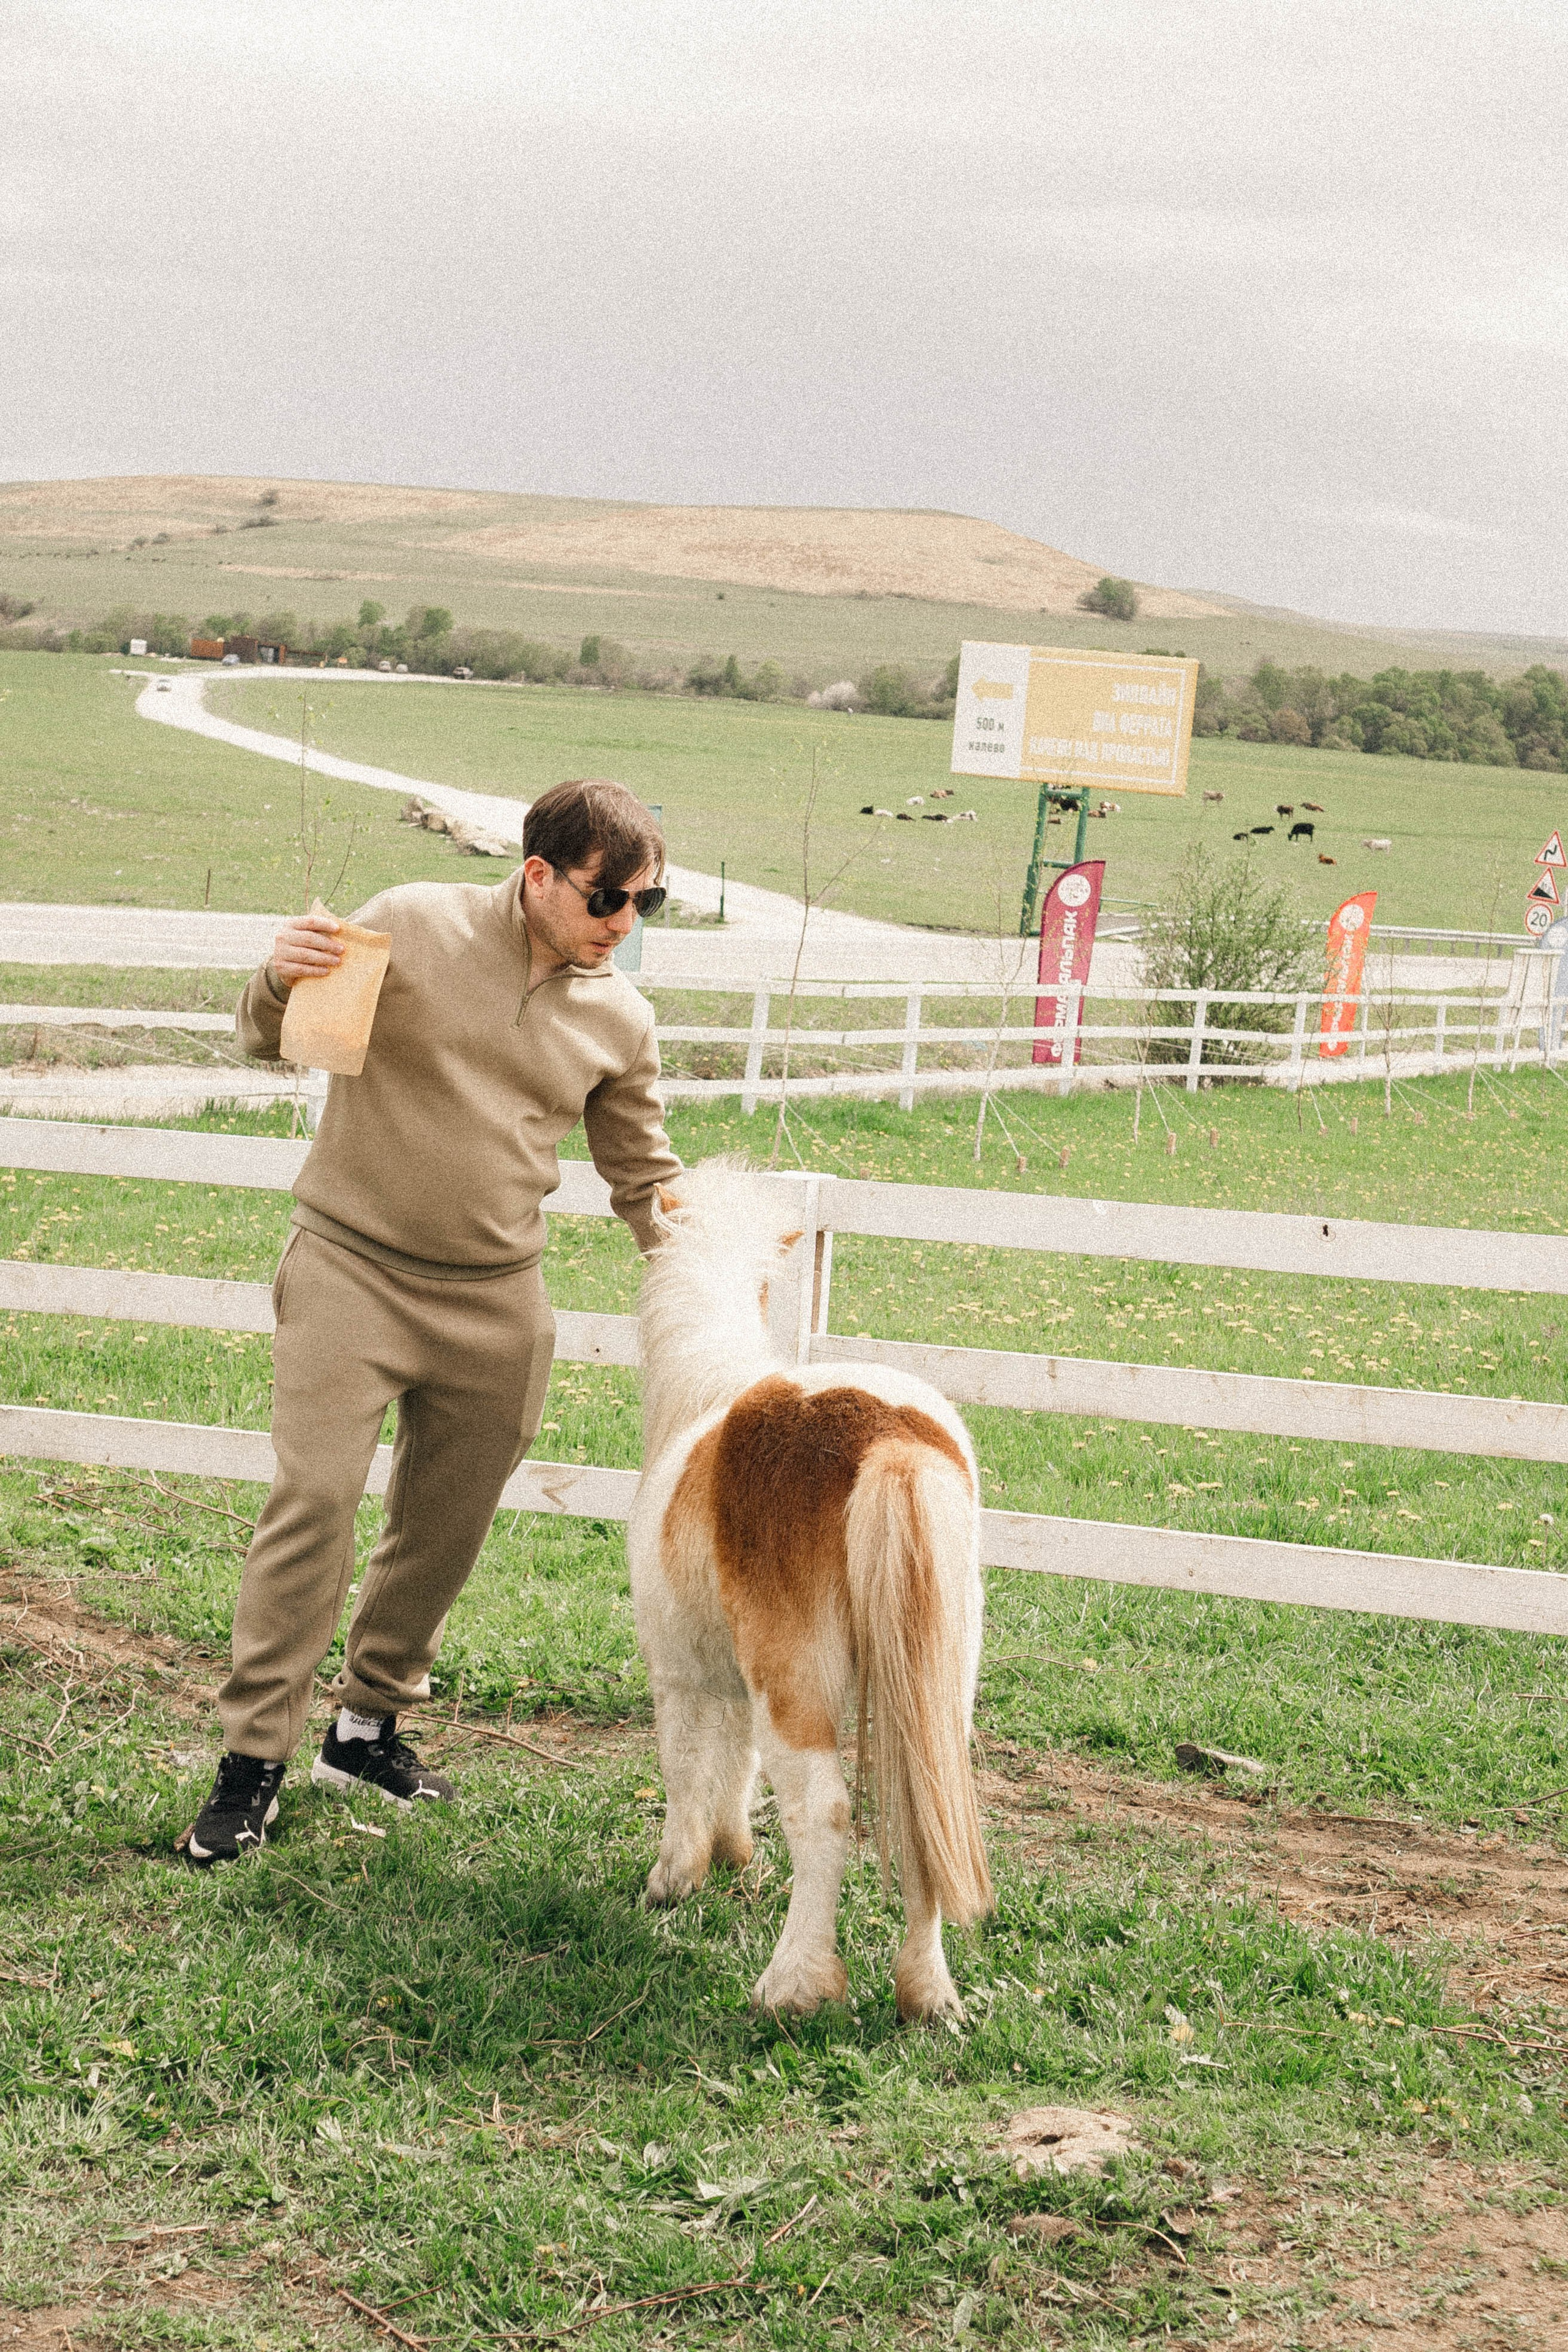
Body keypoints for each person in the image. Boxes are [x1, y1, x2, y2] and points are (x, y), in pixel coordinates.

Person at [183, 778, 681, 1864]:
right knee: (313, 1500)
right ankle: (251, 1766)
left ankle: (365, 1730)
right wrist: (276, 980)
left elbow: (645, 1179)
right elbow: (279, 1042)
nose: (627, 925)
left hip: (497, 1301)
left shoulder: (622, 1018)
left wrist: (714, 1274)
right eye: (610, 899)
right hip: (350, 1270)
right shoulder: (408, 921)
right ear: (539, 874)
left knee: (444, 1527)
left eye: (650, 902)